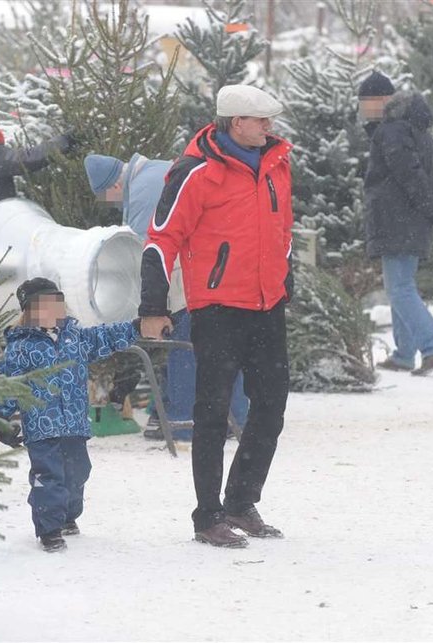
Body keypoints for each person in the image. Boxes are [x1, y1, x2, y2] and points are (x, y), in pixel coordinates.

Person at [137, 84, 293, 548]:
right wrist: (152, 308)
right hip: (218, 310)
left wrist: (285, 285)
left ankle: (241, 501)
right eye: (260, 120)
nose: (269, 128)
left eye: (269, 120)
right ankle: (207, 517)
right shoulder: (194, 172)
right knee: (211, 414)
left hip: (267, 306)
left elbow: (283, 230)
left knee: (271, 406)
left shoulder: (278, 165)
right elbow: (159, 241)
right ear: (234, 122)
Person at [83, 153, 250, 438]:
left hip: (192, 274)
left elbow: (144, 253)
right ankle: (236, 418)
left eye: (107, 197)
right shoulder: (155, 172)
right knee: (224, 348)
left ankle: (183, 424)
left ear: (112, 187)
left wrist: (148, 307)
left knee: (183, 346)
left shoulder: (141, 193)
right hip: (223, 266)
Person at [0, 277, 140, 552]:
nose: (51, 311)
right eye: (42, 306)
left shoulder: (76, 337)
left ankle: (68, 516)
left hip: (74, 423)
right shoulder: (20, 346)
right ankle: (49, 528)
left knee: (77, 472)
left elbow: (106, 336)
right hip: (41, 427)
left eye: (55, 304)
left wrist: (136, 327)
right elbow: (7, 384)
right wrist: (0, 418)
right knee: (48, 476)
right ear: (28, 312)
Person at [358, 71, 433, 375]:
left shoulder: (392, 131)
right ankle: (403, 353)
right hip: (411, 219)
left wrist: (426, 207)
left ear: (384, 100)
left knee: (398, 287)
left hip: (396, 218)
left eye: (367, 101)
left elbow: (409, 174)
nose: (362, 107)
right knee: (402, 284)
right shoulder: (417, 131)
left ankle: (432, 346)